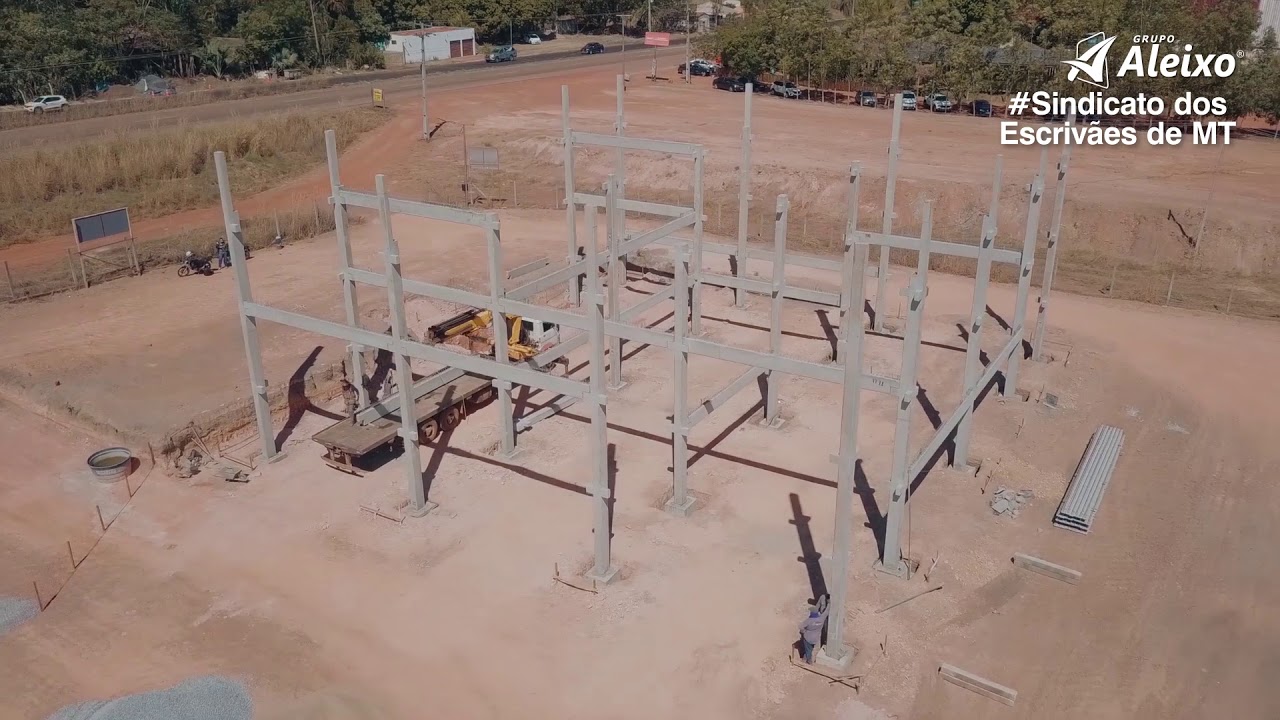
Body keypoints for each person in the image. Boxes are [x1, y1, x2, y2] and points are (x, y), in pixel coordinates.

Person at [798, 595, 829, 664]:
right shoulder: (821, 619)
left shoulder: (809, 620)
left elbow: (800, 626)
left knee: (808, 649)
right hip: (815, 638)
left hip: (808, 638)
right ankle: (804, 658)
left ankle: (809, 661)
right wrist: (829, 604)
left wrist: (804, 631)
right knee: (810, 649)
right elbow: (826, 612)